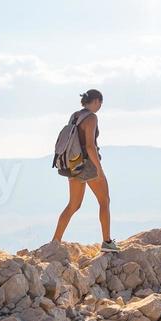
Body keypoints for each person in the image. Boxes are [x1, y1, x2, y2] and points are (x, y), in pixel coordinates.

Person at [52, 89, 118, 252]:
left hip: (73, 164)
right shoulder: (91, 118)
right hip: (88, 165)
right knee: (104, 200)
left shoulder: (75, 116)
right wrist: (99, 169)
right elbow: (89, 145)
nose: (100, 106)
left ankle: (55, 242)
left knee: (73, 205)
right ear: (96, 101)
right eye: (100, 103)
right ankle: (107, 242)